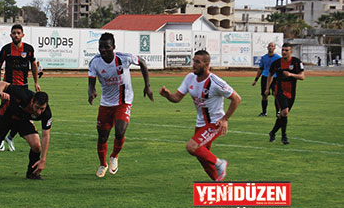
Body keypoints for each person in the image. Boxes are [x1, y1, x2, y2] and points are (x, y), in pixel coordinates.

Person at [159, 50, 241, 181]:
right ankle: (217, 182)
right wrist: (168, 95)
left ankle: (220, 163)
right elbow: (177, 97)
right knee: (202, 158)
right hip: (200, 124)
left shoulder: (215, 82)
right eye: (193, 61)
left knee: (191, 147)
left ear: (207, 65)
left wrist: (225, 119)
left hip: (215, 123)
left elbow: (236, 98)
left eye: (198, 62)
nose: (194, 65)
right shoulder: (190, 78)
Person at [87, 32, 154, 177]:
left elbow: (142, 62)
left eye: (106, 47)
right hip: (106, 103)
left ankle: (114, 156)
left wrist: (147, 85)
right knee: (102, 137)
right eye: (100, 47)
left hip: (124, 101)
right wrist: (91, 91)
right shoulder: (95, 62)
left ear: (113, 47)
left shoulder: (123, 58)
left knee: (120, 131)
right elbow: (91, 81)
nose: (103, 50)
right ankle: (102, 164)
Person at [0, 24, 40, 152]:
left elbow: (33, 65)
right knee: (6, 114)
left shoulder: (28, 49)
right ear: (10, 35)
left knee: (23, 115)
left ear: (22, 35)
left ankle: (10, 137)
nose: (16, 35)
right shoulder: (6, 49)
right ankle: (0, 141)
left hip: (23, 88)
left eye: (18, 33)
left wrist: (36, 82)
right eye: (13, 33)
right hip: (8, 87)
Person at [265, 43, 305, 145]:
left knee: (283, 115)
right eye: (283, 50)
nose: (284, 52)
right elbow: (270, 75)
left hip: (291, 92)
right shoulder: (277, 63)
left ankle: (272, 132)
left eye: (286, 50)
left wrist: (290, 74)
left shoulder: (296, 62)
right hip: (279, 90)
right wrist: (267, 88)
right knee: (285, 112)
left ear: (291, 51)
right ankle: (284, 136)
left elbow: (302, 77)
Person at [252, 42, 281, 116]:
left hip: (275, 78)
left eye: (272, 46)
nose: (270, 47)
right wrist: (256, 80)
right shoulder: (264, 57)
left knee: (276, 94)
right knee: (264, 95)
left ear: (274, 48)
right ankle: (264, 112)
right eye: (269, 46)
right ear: (267, 47)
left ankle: (278, 112)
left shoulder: (278, 58)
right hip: (265, 77)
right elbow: (260, 69)